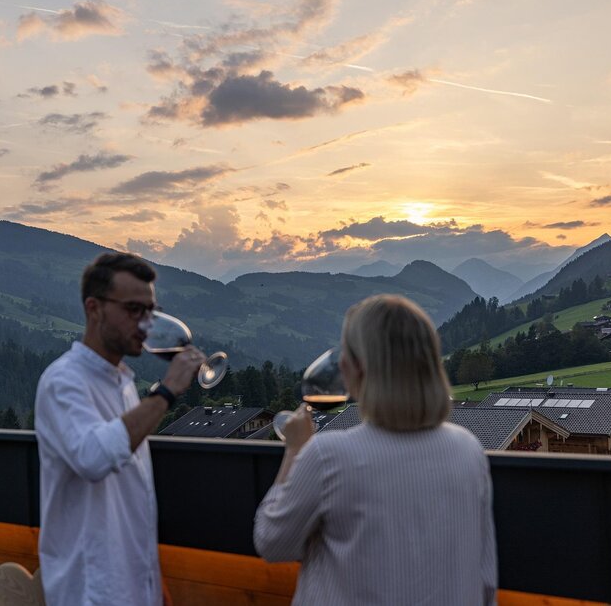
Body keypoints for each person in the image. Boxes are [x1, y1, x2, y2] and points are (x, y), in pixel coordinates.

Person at [254, 294, 498, 605]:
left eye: (346, 352)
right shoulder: (468, 449)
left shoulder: (328, 455)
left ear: (357, 368)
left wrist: (294, 450)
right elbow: (485, 578)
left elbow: (271, 542)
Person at [35, 252, 205, 606]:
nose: (145, 324)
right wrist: (166, 391)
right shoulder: (63, 381)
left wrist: (152, 581)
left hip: (134, 588)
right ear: (94, 308)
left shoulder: (123, 384)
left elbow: (131, 495)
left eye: (150, 311)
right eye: (133, 310)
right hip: (91, 592)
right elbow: (94, 458)